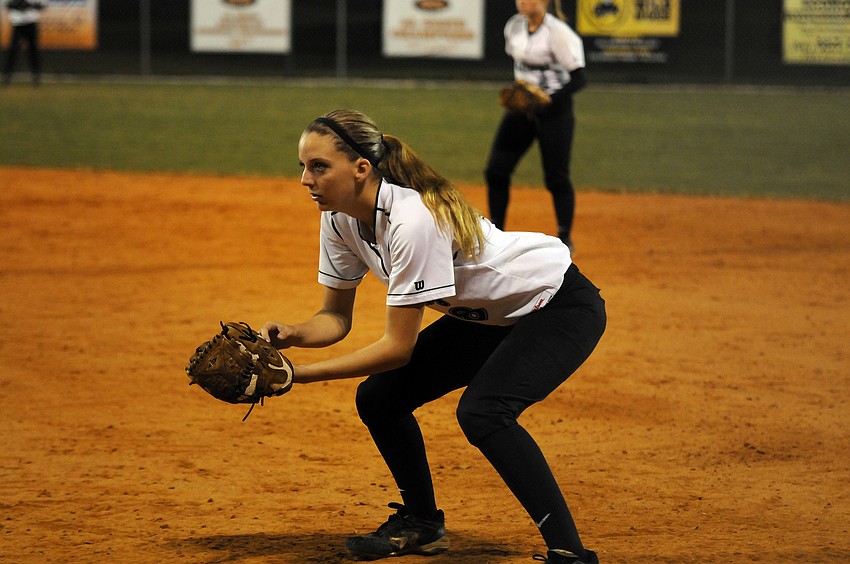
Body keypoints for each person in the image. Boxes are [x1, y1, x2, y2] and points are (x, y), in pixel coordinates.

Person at [261, 109, 606, 564]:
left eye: (319, 166)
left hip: (555, 305)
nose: (306, 179)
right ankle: (422, 524)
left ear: (361, 168)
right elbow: (334, 317)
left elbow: (397, 349)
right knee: (380, 399)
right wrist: (293, 334)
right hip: (485, 317)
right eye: (303, 167)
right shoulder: (340, 218)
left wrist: (299, 376)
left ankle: (570, 552)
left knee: (485, 412)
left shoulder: (412, 221)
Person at [485, 0, 587, 251]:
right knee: (496, 171)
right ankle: (497, 233)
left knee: (556, 177)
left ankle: (565, 237)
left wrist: (549, 101)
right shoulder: (514, 27)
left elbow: (579, 79)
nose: (522, 2)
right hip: (522, 111)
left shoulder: (559, 33)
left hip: (555, 113)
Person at [2, 0, 46, 86]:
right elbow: (6, 4)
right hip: (17, 23)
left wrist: (29, 5)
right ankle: (7, 75)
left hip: (31, 22)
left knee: (33, 50)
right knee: (13, 50)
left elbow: (42, 6)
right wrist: (16, 4)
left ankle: (36, 75)